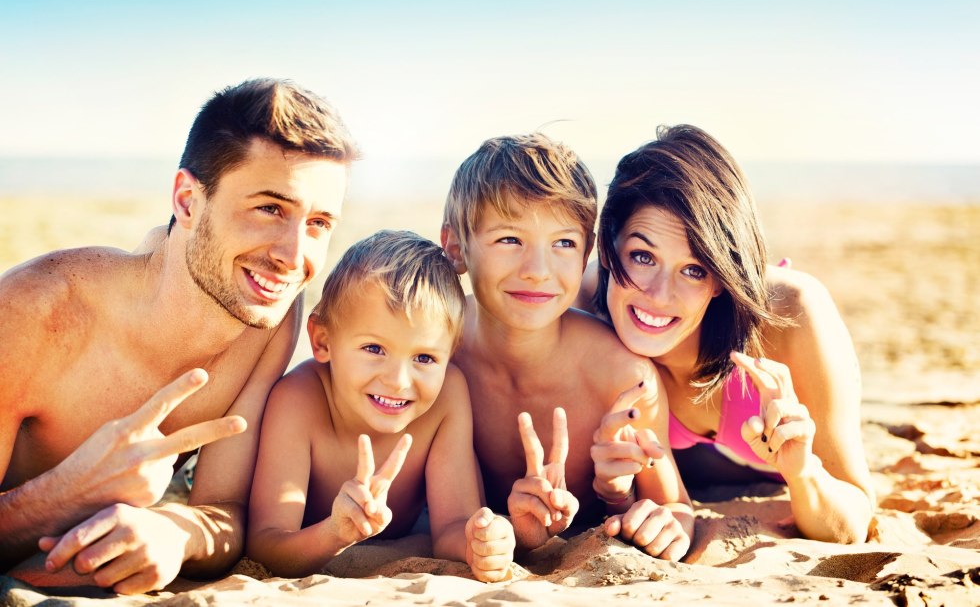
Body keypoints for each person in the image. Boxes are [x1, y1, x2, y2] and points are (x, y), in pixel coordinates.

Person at [0, 78, 359, 593]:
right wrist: (68, 494)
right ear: (188, 201)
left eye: (320, 222)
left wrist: (171, 532)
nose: (292, 254)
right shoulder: (36, 312)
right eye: (270, 208)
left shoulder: (269, 316)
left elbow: (226, 513)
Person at [581, 124, 875, 543]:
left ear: (722, 277)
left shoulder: (792, 315)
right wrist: (614, 496)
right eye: (642, 256)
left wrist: (803, 472)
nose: (659, 296)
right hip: (687, 472)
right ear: (608, 250)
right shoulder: (582, 306)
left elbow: (855, 519)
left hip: (757, 461)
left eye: (694, 269)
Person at [440, 133, 693, 560]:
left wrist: (665, 525)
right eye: (509, 239)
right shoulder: (434, 352)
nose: (538, 271)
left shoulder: (623, 379)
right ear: (455, 247)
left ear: (586, 253)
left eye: (563, 243)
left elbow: (674, 504)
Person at [246, 230, 515, 581]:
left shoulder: (446, 396)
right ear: (323, 340)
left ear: (452, 353)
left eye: (424, 357)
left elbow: (451, 526)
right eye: (374, 349)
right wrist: (335, 533)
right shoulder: (298, 400)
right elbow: (266, 545)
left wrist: (477, 544)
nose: (399, 381)